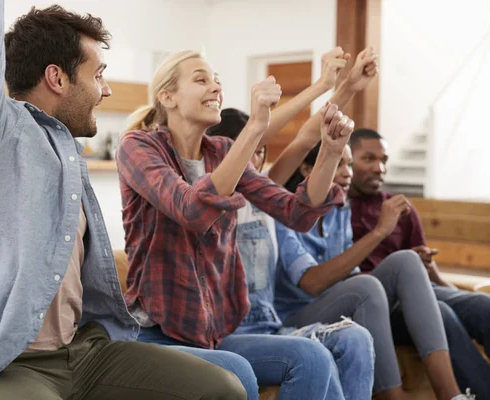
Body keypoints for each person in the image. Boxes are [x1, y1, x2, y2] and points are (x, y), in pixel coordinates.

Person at [0, 2, 247, 399]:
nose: (108, 89)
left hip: (81, 352)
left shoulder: (67, 153)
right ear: (57, 78)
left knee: (222, 388)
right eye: (98, 74)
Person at [116, 48, 356, 399]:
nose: (215, 87)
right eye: (201, 79)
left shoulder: (222, 151)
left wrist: (331, 153)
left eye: (217, 80)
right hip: (152, 335)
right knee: (237, 370)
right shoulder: (138, 148)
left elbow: (297, 214)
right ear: (167, 97)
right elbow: (191, 211)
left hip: (211, 335)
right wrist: (256, 126)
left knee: (313, 357)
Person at [204, 46, 382, 400]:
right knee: (319, 358)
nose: (254, 159)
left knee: (355, 337)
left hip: (272, 327)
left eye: (259, 151)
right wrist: (323, 86)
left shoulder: (261, 194)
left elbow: (306, 139)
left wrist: (347, 86)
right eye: (246, 149)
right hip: (230, 333)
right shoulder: (210, 199)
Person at [275, 142, 474, 400]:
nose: (348, 173)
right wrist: (380, 231)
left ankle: (452, 396)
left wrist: (396, 287)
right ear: (306, 169)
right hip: (293, 317)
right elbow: (312, 283)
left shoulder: (339, 209)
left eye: (348, 164)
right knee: (366, 288)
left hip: (337, 304)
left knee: (406, 261)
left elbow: (351, 273)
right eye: (339, 164)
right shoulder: (281, 213)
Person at [349, 128, 490, 398]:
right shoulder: (337, 207)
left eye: (384, 160)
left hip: (417, 293)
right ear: (347, 160)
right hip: (377, 305)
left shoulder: (400, 206)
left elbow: (424, 274)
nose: (379, 168)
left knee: (484, 305)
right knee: (441, 313)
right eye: (368, 159)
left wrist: (435, 274)